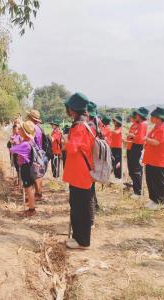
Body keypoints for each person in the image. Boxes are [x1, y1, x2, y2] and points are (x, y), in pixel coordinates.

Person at [63, 92, 95, 250]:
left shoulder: (79, 127)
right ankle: (80, 238)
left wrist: (64, 141)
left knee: (79, 208)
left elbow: (72, 147)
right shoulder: (86, 124)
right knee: (80, 206)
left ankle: (82, 241)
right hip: (81, 174)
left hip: (79, 175)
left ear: (72, 109)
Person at [142, 107, 164, 210]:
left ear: (158, 118)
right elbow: (150, 139)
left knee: (158, 181)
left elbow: (156, 142)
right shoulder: (156, 127)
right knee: (150, 180)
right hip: (151, 159)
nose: (150, 118)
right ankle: (153, 199)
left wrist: (146, 139)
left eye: (152, 117)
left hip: (159, 160)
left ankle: (161, 201)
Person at [10, 121, 37, 217]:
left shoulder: (25, 144)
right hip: (29, 167)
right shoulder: (29, 140)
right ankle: (31, 207)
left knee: (28, 189)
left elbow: (12, 149)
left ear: (24, 132)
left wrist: (14, 141)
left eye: (21, 129)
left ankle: (31, 209)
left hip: (26, 168)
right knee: (29, 188)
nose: (19, 130)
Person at [126, 107, 148, 199]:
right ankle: (136, 190)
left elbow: (139, 139)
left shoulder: (143, 124)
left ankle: (138, 192)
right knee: (132, 169)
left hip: (137, 147)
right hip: (132, 147)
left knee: (136, 170)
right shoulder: (136, 124)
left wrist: (132, 136)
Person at [26, 110, 45, 201]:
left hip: (35, 152)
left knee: (36, 174)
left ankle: (38, 194)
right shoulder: (37, 127)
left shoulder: (33, 128)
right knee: (37, 173)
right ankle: (38, 193)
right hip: (38, 151)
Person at [87, 102, 99, 218]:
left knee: (89, 190)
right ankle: (95, 206)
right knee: (91, 188)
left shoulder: (90, 126)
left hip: (89, 162)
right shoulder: (94, 125)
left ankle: (91, 217)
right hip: (92, 161)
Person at [110, 115, 123, 180]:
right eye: (113, 121)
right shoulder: (115, 128)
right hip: (113, 147)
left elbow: (116, 133)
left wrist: (108, 130)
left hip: (118, 148)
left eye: (115, 121)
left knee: (118, 162)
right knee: (113, 161)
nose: (114, 122)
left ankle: (119, 176)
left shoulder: (120, 128)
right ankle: (116, 176)